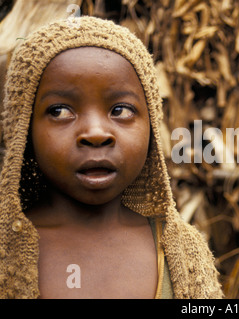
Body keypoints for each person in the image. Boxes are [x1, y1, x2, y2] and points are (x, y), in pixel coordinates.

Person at [0, 16, 223, 299]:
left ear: (153, 126)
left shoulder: (181, 251)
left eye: (120, 110)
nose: (95, 133)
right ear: (23, 129)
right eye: (59, 111)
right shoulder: (5, 252)